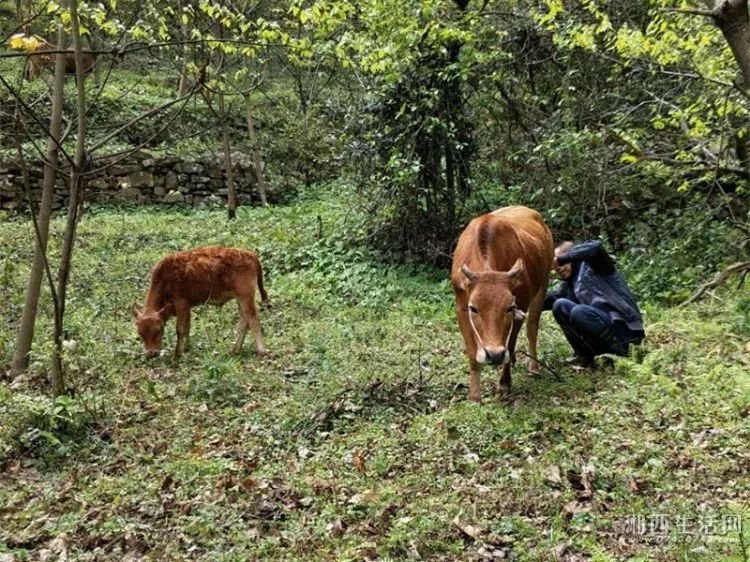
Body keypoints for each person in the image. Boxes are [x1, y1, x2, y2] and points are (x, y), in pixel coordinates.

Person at [544, 240, 644, 367]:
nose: (557, 267)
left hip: (625, 330)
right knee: (560, 305)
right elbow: (544, 301)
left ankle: (620, 355)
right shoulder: (567, 287)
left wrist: (560, 259)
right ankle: (586, 358)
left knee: (579, 311)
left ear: (573, 256)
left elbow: (596, 247)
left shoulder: (595, 265)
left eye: (561, 262)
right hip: (604, 327)